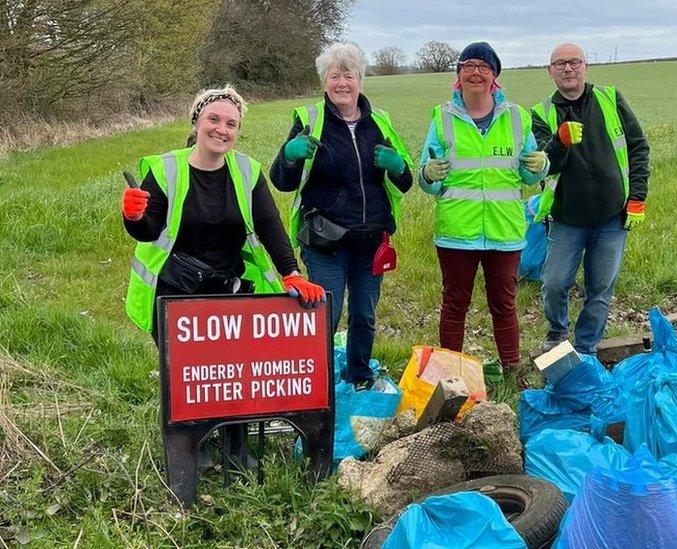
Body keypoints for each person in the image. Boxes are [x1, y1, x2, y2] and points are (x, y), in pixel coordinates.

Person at [121, 85, 324, 466]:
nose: (222, 129)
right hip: (175, 292)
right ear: (197, 121)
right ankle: (192, 451)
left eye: (231, 123)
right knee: (187, 376)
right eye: (213, 119)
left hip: (228, 289)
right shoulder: (167, 168)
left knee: (231, 373)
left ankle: (236, 449)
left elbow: (270, 226)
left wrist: (291, 274)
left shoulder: (247, 171)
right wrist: (133, 216)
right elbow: (149, 228)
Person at [270, 43, 413, 389]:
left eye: (349, 75)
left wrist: (396, 166)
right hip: (326, 241)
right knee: (324, 316)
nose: (342, 83)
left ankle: (360, 376)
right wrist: (289, 155)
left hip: (371, 241)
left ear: (360, 80)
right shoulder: (310, 121)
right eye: (335, 76)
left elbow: (405, 182)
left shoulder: (380, 123)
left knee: (364, 315)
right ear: (325, 81)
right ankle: (314, 382)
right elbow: (282, 182)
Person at [418, 41, 549, 372]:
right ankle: (451, 377)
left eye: (484, 67)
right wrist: (428, 174)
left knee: (504, 305)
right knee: (454, 304)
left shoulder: (518, 118)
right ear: (458, 75)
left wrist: (540, 165)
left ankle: (510, 372)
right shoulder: (442, 118)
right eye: (468, 66)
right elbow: (427, 180)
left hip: (504, 230)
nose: (476, 73)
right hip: (456, 232)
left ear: (495, 77)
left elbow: (527, 172)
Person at [532, 43, 650, 356]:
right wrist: (559, 141)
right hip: (566, 218)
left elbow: (638, 147)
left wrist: (637, 197)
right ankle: (557, 331)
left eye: (574, 62)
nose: (567, 69)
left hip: (612, 217)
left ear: (586, 66)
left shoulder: (611, 98)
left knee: (600, 289)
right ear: (550, 71)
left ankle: (586, 348)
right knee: (555, 283)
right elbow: (545, 165)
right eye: (560, 64)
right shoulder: (541, 114)